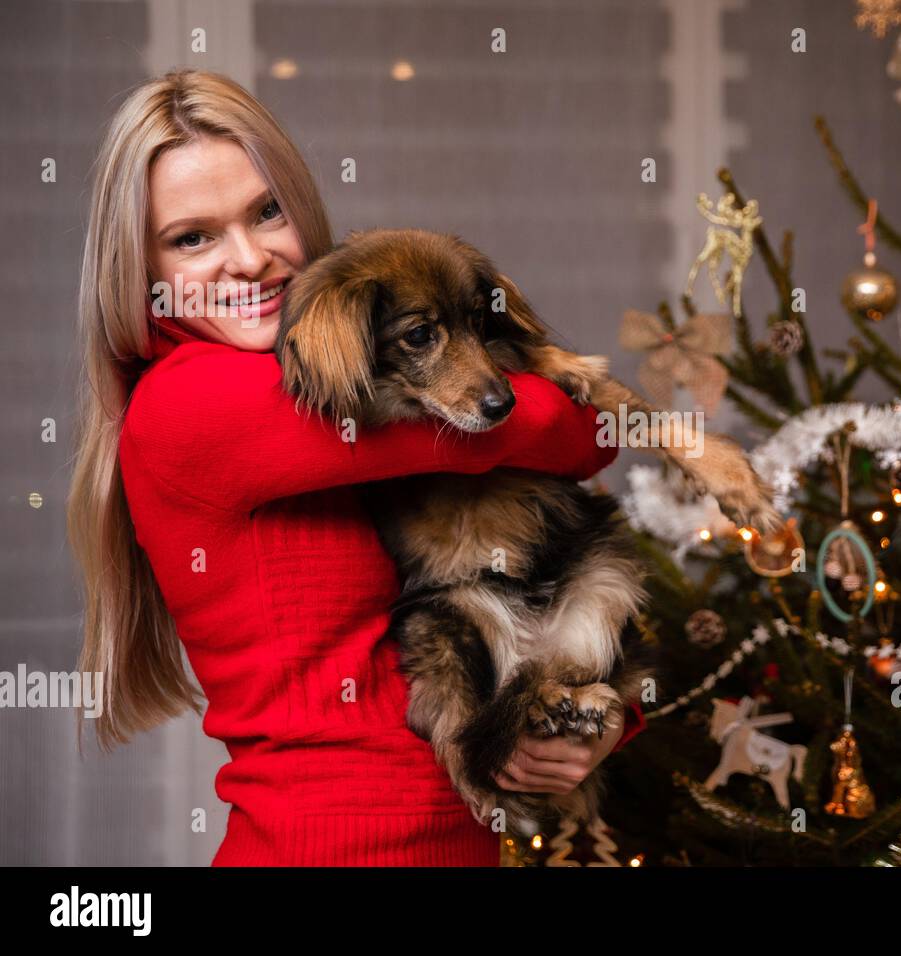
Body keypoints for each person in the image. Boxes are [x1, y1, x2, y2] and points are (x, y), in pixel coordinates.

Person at [66, 69, 644, 866]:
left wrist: (594, 716)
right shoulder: (193, 404)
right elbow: (569, 429)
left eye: (267, 212)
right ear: (142, 269)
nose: (249, 260)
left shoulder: (342, 374)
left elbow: (499, 577)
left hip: (449, 843)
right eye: (192, 237)